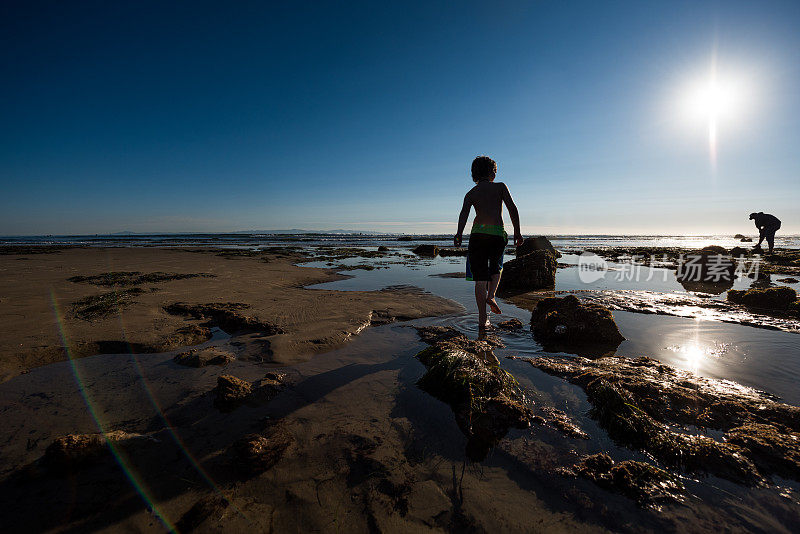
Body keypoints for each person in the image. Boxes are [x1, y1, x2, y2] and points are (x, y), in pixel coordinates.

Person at [454, 156, 523, 337]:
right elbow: (512, 209)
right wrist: (517, 232)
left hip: (477, 235)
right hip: (497, 235)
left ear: (474, 174)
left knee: (479, 278)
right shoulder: (500, 187)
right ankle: (491, 295)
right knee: (496, 268)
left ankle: (482, 318)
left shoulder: (471, 193)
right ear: (493, 172)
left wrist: (459, 234)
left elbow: (463, 215)